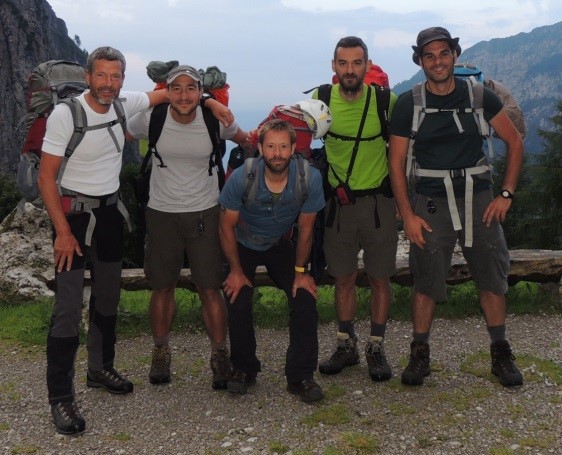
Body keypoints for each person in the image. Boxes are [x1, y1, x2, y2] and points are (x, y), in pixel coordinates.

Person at [37, 47, 232, 436]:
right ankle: (61, 398)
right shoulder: (66, 114)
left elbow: (175, 94)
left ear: (123, 80)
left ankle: (100, 368)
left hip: (110, 213)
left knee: (108, 298)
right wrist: (61, 231)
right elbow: (46, 177)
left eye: (115, 76)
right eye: (101, 76)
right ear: (88, 76)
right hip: (73, 218)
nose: (108, 84)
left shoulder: (125, 105)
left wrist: (210, 102)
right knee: (68, 309)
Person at [388, 27, 524, 387]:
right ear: (420, 60)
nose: (437, 61)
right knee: (426, 280)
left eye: (444, 53)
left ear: (455, 55)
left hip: (480, 201)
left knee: (492, 277)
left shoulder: (479, 96)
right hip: (430, 205)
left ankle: (500, 352)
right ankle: (420, 355)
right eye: (429, 55)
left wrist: (505, 195)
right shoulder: (409, 104)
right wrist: (407, 215)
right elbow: (396, 163)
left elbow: (514, 141)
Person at [127, 64, 248, 388]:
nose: (183, 95)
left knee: (210, 287)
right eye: (176, 88)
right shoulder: (151, 119)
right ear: (167, 91)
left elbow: (245, 140)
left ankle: (220, 355)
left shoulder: (214, 119)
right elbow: (115, 131)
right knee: (162, 286)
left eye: (190, 88)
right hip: (162, 213)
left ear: (199, 91)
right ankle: (161, 352)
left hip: (205, 214)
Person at [218, 119, 326, 403]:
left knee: (304, 297)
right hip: (243, 242)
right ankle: (244, 368)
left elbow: (306, 229)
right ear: (261, 149)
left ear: (293, 149)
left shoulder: (309, 179)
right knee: (237, 295)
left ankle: (301, 375)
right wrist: (236, 271)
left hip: (281, 243)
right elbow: (225, 226)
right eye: (270, 147)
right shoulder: (243, 177)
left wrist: (301, 273)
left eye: (283, 147)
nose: (277, 153)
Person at [313, 36, 398, 382]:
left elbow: (407, 147)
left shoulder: (385, 101)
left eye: (357, 63)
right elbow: (284, 132)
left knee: (380, 279)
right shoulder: (319, 101)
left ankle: (376, 346)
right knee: (344, 278)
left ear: (367, 65)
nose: (350, 70)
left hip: (378, 204)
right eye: (343, 63)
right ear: (334, 66)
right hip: (339, 207)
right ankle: (346, 344)